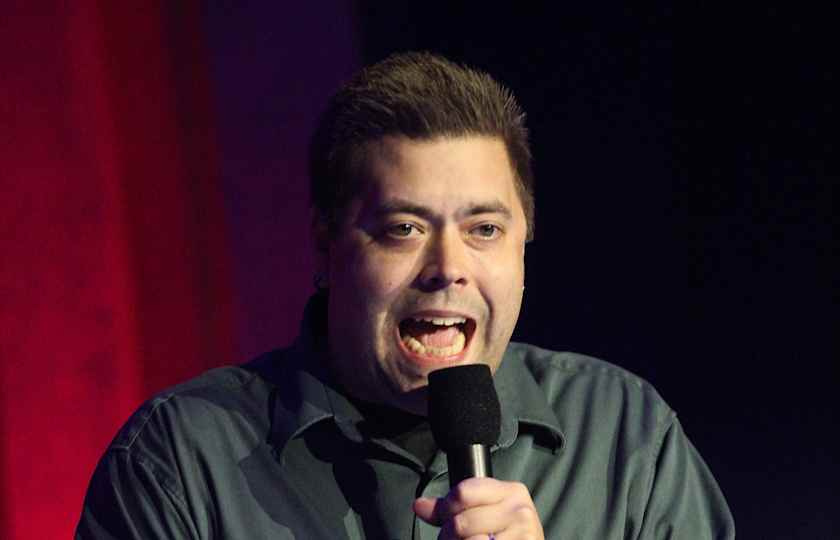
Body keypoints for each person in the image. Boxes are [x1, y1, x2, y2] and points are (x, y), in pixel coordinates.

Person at [77, 52, 734, 539]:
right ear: (325, 246)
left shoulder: (626, 436)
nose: (447, 268)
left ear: (524, 244)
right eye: (404, 229)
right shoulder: (182, 460)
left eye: (484, 229)